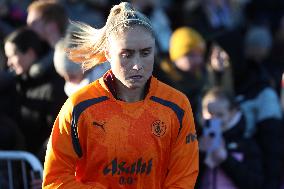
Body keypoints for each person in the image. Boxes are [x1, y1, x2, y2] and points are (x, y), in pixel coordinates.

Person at [43, 2, 199, 188]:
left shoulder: (177, 105)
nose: (137, 64)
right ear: (108, 54)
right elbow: (55, 180)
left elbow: (184, 178)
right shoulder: (79, 106)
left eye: (145, 53)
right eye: (127, 54)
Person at [4, 27, 66, 155]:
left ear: (30, 53)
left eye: (13, 56)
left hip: (43, 166)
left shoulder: (53, 88)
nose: (9, 63)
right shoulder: (15, 86)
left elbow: (57, 134)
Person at [197, 87, 264, 189]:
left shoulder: (246, 144)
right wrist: (198, 154)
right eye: (209, 113)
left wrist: (226, 159)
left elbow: (255, 184)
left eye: (220, 115)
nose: (214, 119)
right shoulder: (194, 140)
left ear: (232, 113)